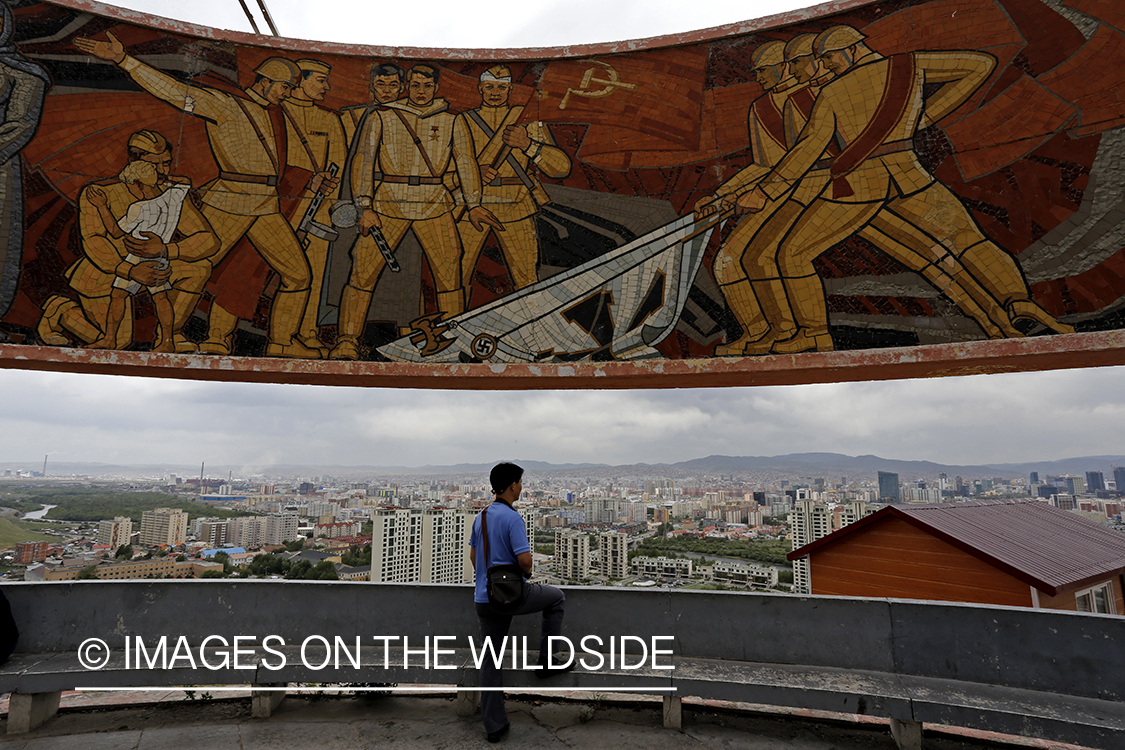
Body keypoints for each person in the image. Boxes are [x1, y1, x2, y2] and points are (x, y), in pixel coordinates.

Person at [74, 32, 337, 358]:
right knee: (196, 265)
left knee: (298, 275)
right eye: (285, 87)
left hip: (265, 205)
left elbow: (274, 166)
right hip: (229, 201)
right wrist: (123, 59)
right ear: (267, 81)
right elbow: (174, 92)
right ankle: (167, 337)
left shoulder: (273, 112)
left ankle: (281, 342)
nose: (288, 94)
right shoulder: (225, 104)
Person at [330, 63, 501, 360]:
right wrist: (364, 206)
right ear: (407, 85)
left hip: (435, 202)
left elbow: (466, 163)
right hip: (388, 203)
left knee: (450, 272)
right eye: (415, 85)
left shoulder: (452, 121)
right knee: (362, 269)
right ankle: (347, 339)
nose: (421, 92)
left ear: (435, 88)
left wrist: (473, 204)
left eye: (427, 86)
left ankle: (454, 339)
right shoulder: (383, 116)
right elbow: (364, 160)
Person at [38, 130, 217, 351]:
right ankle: (61, 311)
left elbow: (208, 240)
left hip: (152, 265)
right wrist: (130, 271)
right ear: (134, 162)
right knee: (120, 344)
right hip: (106, 273)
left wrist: (166, 250)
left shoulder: (170, 194)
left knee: (199, 268)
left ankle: (169, 337)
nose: (163, 171)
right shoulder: (99, 193)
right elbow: (95, 241)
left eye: (167, 163)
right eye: (155, 165)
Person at [456, 65, 571, 309]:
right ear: (480, 89)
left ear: (509, 90)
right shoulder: (463, 121)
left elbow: (560, 168)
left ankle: (532, 329)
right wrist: (473, 173)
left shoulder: (526, 119)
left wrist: (528, 144)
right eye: (489, 87)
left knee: (527, 279)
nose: (495, 92)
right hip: (472, 206)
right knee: (456, 276)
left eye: (501, 87)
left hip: (516, 203)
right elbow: (440, 168)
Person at [469, 462, 568, 743]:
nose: (522, 487)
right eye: (521, 482)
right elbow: (525, 560)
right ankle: (547, 663)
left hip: (484, 598)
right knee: (556, 598)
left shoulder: (483, 516)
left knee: (491, 660)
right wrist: (525, 572)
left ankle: (494, 727)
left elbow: (475, 560)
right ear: (512, 485)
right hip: (512, 596)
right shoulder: (513, 518)